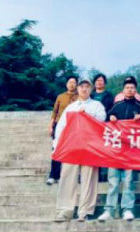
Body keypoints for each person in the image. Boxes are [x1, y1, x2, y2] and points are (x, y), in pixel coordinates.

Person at [53, 78, 106, 222]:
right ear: (77, 89)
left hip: (90, 147)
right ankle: (65, 211)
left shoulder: (97, 105)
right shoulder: (71, 107)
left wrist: (87, 114)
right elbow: (61, 127)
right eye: (82, 86)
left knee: (89, 180)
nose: (84, 89)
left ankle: (85, 211)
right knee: (67, 178)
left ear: (91, 90)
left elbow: (102, 120)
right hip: (71, 148)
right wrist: (56, 145)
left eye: (87, 87)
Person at [98, 77, 140, 222]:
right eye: (127, 88)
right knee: (113, 181)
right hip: (115, 150)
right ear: (123, 90)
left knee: (128, 181)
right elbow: (105, 120)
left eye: (132, 88)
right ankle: (109, 210)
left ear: (136, 90)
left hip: (131, 151)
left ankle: (127, 209)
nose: (130, 90)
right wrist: (111, 117)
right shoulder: (116, 105)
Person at [46, 76, 78, 185]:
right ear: (66, 84)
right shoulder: (60, 97)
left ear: (76, 85)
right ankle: (53, 175)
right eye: (70, 82)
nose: (72, 84)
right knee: (56, 150)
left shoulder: (79, 97)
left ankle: (65, 176)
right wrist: (51, 126)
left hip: (73, 127)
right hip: (59, 126)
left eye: (74, 82)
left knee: (71, 152)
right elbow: (54, 112)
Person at [91, 73, 115, 182]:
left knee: (104, 149)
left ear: (104, 83)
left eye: (101, 80)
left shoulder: (109, 95)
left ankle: (103, 174)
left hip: (104, 126)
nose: (99, 82)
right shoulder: (90, 95)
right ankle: (93, 173)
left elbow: (112, 109)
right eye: (97, 80)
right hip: (91, 127)